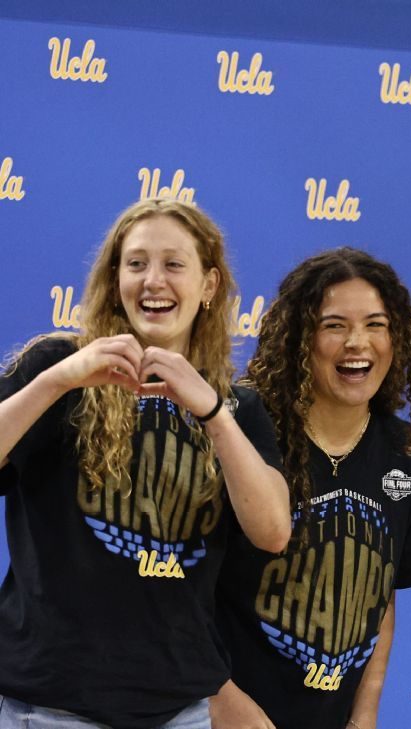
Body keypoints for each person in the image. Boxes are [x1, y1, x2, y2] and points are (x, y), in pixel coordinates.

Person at [0, 198, 290, 728]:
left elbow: (272, 531)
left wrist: (211, 412)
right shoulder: (55, 369)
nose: (153, 280)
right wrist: (58, 380)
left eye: (174, 264)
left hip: (177, 710)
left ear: (208, 286)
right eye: (136, 264)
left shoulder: (236, 405)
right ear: (115, 280)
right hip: (51, 706)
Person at [210, 248, 411, 729]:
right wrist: (221, 699)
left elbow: (381, 592)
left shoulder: (407, 451)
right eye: (334, 325)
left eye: (376, 325)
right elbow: (183, 589)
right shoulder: (246, 432)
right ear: (298, 339)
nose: (359, 342)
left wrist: (366, 709)